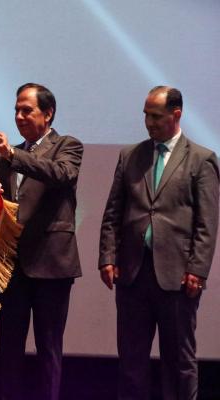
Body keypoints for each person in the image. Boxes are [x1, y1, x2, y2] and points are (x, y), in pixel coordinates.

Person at [99, 86, 219, 400]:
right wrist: (107, 257)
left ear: (176, 114)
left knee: (179, 360)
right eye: (146, 115)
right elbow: (113, 212)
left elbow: (207, 223)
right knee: (131, 359)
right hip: (133, 274)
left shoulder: (202, 159)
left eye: (155, 116)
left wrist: (198, 270)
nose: (149, 122)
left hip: (178, 277)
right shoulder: (130, 155)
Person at [0, 83, 83, 400]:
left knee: (48, 348)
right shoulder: (9, 155)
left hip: (51, 264)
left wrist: (12, 154)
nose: (19, 116)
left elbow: (60, 174)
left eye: (27, 110)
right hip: (12, 266)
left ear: (48, 113)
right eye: (16, 110)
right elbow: (9, 206)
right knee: (8, 348)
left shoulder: (67, 145)